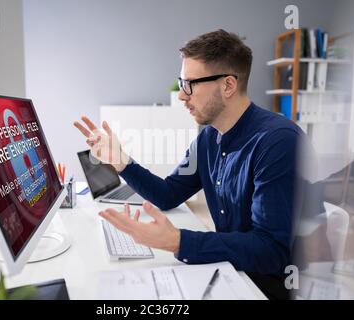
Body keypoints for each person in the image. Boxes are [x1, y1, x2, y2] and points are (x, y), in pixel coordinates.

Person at [74, 29, 305, 299]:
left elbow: (271, 251)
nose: (182, 96)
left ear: (228, 85)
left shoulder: (278, 142)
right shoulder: (208, 137)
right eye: (181, 83)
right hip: (231, 270)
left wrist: (178, 241)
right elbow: (168, 193)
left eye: (190, 84)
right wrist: (121, 161)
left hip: (263, 286)